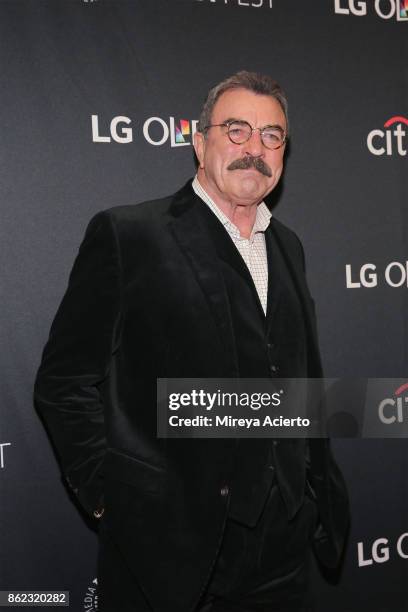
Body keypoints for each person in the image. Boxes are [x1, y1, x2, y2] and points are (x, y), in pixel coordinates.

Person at [34, 71, 349, 612]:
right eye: (237, 129)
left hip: (284, 543)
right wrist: (112, 499)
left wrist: (313, 493)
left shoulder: (289, 247)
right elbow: (63, 383)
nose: (255, 148)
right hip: (172, 553)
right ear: (199, 143)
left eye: (271, 135)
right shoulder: (130, 235)